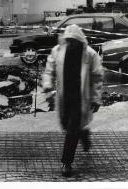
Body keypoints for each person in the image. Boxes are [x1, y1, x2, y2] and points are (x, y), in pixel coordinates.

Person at [42, 24, 103, 177]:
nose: (71, 43)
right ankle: (84, 134)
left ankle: (66, 163)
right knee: (66, 124)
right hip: (64, 97)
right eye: (68, 40)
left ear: (80, 40)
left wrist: (96, 98)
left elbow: (97, 78)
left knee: (72, 129)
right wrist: (48, 84)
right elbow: (49, 69)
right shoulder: (57, 51)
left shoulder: (90, 55)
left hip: (81, 98)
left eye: (73, 40)